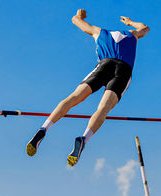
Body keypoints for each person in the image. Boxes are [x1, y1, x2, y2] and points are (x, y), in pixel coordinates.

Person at [26, 9, 150, 166]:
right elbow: (145, 28)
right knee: (103, 109)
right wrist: (130, 22)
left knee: (73, 98)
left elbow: (76, 21)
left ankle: (44, 128)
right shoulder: (132, 35)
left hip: (104, 65)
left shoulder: (99, 32)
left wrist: (80, 15)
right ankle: (84, 138)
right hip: (123, 71)